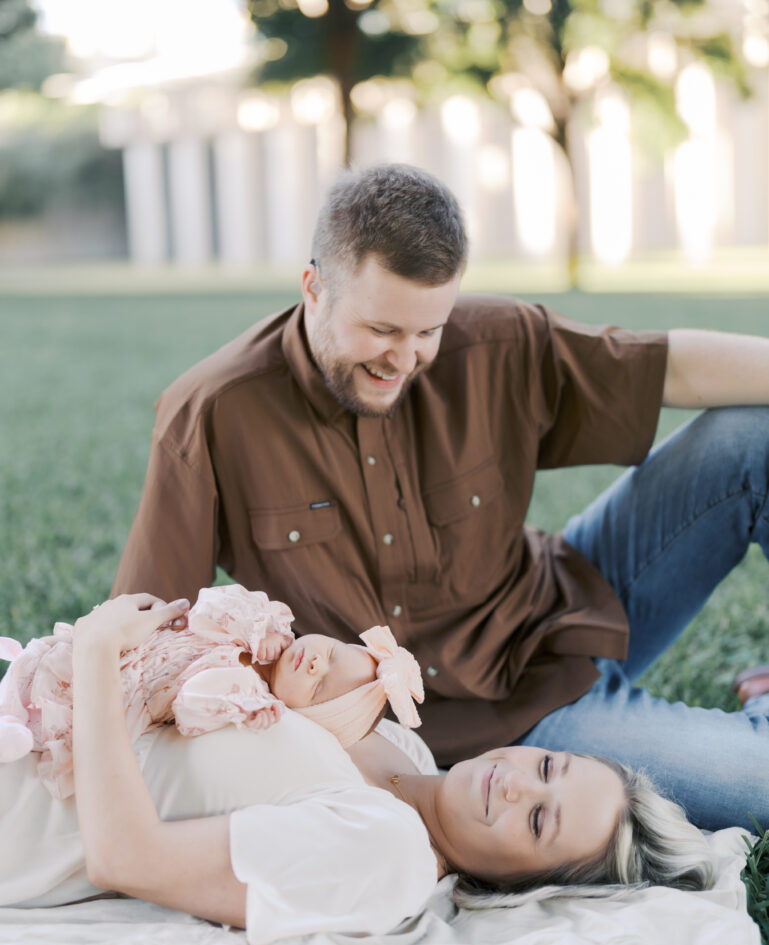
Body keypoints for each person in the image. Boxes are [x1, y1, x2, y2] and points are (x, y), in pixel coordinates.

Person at [112, 163, 769, 833]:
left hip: (564, 606)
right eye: (382, 331)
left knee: (753, 433)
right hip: (508, 724)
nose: (404, 360)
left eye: (427, 332)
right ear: (313, 288)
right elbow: (138, 634)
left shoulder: (495, 341)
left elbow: (670, 366)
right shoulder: (213, 412)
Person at [0, 594, 714, 945]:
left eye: (538, 820)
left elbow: (129, 858)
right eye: (549, 767)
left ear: (517, 883)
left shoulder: (386, 852)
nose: (519, 784)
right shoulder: (403, 750)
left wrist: (97, 654)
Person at [0, 585, 424, 799]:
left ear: (305, 715)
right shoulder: (262, 618)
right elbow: (209, 604)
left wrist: (248, 712)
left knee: (56, 718)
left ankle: (14, 732)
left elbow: (192, 705)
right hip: (123, 645)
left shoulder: (247, 690)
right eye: (329, 652)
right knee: (42, 664)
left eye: (320, 685)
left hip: (120, 688)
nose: (316, 663)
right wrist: (256, 631)